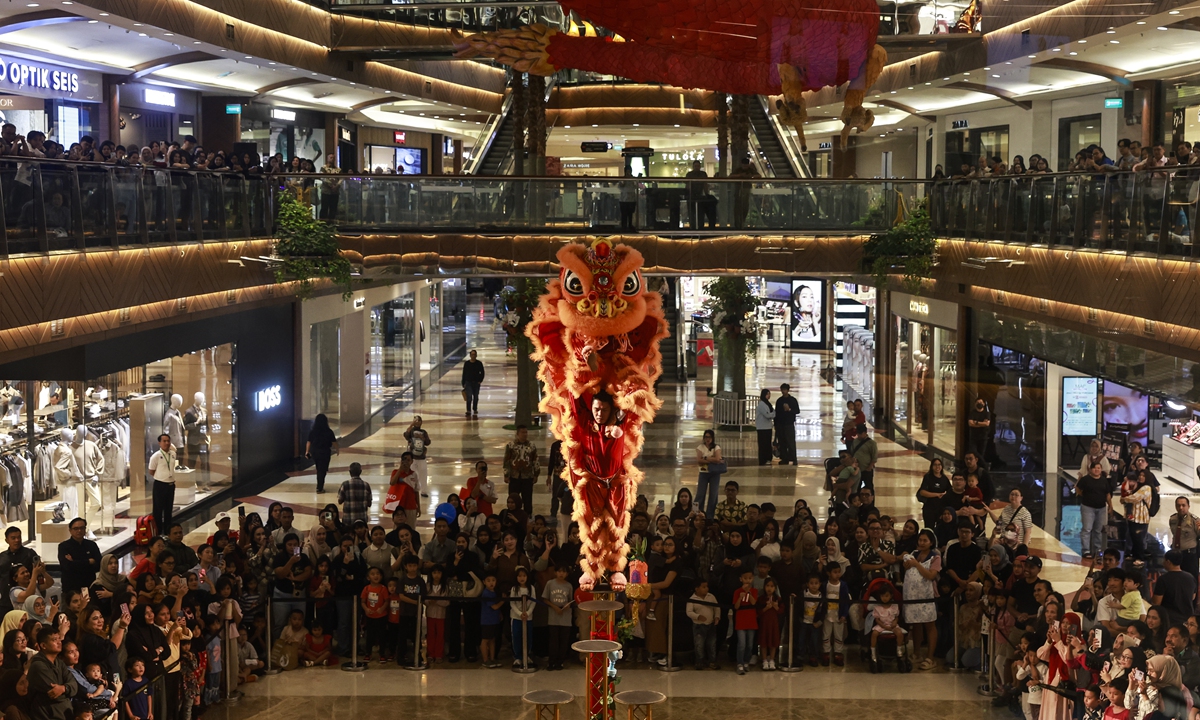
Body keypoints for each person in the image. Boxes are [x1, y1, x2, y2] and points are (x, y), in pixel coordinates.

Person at [28, 625, 76, 720]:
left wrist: (63, 688)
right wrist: (67, 689)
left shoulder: (59, 662)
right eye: (54, 640)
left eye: (59, 639)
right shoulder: (38, 665)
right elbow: (55, 694)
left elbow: (74, 686)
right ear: (43, 645)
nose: (59, 642)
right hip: (47, 714)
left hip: (63, 711)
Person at [1076, 461, 1112, 559]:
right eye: (1095, 468)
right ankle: (1086, 550)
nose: (1097, 470)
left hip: (1101, 508)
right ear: (1091, 469)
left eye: (1099, 468)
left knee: (1099, 530)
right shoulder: (1085, 479)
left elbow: (1107, 494)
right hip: (1088, 507)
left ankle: (1098, 549)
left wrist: (1110, 506)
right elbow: (1078, 489)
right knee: (1087, 529)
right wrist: (1085, 496)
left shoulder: (1104, 480)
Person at [1153, 550, 1197, 626]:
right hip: (1187, 620)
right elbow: (1193, 597)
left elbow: (1157, 603)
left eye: (1164, 560)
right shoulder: (1190, 577)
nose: (1163, 563)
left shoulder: (1163, 579)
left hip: (1169, 620)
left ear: (1168, 562)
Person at [502, 425, 539, 515]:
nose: (525, 434)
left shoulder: (532, 446)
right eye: (522, 432)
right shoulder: (511, 446)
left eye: (526, 432)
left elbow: (535, 460)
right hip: (514, 476)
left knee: (527, 499)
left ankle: (528, 517)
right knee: (513, 498)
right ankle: (512, 515)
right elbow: (506, 460)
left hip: (527, 477)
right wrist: (506, 474)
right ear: (517, 434)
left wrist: (536, 474)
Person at [147, 433, 176, 535]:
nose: (167, 443)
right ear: (159, 443)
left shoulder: (173, 454)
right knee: (158, 511)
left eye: (168, 441)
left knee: (169, 510)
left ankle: (168, 532)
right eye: (164, 441)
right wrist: (161, 477)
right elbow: (151, 471)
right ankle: (158, 533)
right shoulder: (156, 456)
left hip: (171, 485)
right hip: (160, 485)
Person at [305, 413, 339, 494]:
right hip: (325, 452)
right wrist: (337, 450)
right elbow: (334, 442)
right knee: (322, 470)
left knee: (319, 468)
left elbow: (309, 442)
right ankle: (319, 487)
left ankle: (319, 485)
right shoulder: (329, 431)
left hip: (315, 452)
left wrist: (307, 451)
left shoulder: (313, 431)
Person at [694, 430, 724, 519]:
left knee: (713, 495)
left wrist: (705, 458)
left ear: (712, 438)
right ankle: (695, 512)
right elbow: (699, 460)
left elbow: (718, 459)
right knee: (700, 494)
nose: (708, 439)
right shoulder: (700, 447)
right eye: (706, 437)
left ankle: (710, 516)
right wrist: (712, 459)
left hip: (714, 473)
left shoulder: (716, 447)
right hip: (703, 473)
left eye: (709, 437)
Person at [1169, 496, 1200, 578]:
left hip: (1189, 555)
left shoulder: (1195, 521)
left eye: (1183, 505)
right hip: (1176, 553)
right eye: (1178, 505)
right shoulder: (1173, 519)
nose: (1180, 508)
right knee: (1176, 577)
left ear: (1188, 506)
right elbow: (1174, 533)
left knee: (1191, 577)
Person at [917, 459, 950, 529]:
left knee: (940, 529)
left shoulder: (944, 479)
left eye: (939, 465)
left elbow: (950, 491)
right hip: (929, 509)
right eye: (935, 465)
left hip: (940, 509)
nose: (937, 467)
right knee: (929, 528)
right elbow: (922, 492)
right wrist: (937, 494)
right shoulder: (928, 477)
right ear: (932, 466)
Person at [403, 416, 431, 498]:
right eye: (416, 420)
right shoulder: (411, 431)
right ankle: (411, 490)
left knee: (423, 473)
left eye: (419, 420)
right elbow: (406, 435)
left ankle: (424, 491)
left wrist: (423, 438)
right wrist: (411, 425)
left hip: (421, 457)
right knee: (411, 474)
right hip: (412, 457)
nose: (417, 422)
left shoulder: (424, 432)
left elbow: (428, 442)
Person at [337, 462, 372, 526]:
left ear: (350, 472)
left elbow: (340, 501)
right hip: (362, 521)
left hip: (348, 520)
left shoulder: (345, 484)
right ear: (360, 471)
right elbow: (369, 504)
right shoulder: (366, 485)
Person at [774, 384, 799, 465]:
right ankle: (784, 458)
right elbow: (776, 413)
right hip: (781, 424)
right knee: (782, 442)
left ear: (788, 390)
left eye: (785, 390)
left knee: (791, 442)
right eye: (782, 390)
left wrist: (789, 410)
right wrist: (776, 425)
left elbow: (797, 411)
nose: (783, 391)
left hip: (789, 424)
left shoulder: (792, 400)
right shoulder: (779, 401)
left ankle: (793, 458)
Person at [850, 424, 878, 491]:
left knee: (869, 487)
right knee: (856, 487)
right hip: (856, 469)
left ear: (865, 433)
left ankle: (870, 501)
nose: (859, 435)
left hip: (866, 469)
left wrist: (869, 467)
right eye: (858, 433)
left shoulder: (872, 443)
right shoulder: (855, 441)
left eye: (860, 433)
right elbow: (852, 452)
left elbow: (874, 457)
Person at [461, 350, 484, 417]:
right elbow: (464, 373)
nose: (473, 356)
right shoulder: (467, 364)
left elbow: (482, 372)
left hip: (476, 383)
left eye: (474, 354)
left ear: (476, 355)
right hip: (468, 382)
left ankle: (475, 408)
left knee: (476, 397)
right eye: (472, 354)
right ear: (470, 355)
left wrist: (480, 380)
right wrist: (463, 382)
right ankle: (468, 410)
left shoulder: (479, 363)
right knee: (469, 397)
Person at [755, 389, 775, 465]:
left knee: (767, 444)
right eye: (767, 394)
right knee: (763, 444)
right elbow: (768, 415)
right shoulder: (762, 405)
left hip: (768, 427)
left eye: (769, 394)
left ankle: (768, 458)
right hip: (762, 428)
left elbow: (772, 412)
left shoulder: (768, 404)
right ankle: (763, 459)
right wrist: (773, 414)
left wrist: (772, 414)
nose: (769, 396)